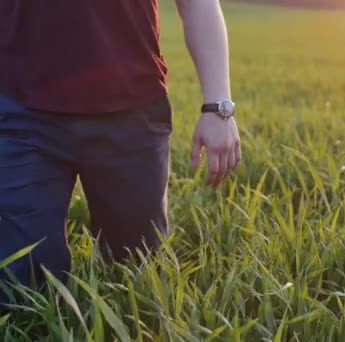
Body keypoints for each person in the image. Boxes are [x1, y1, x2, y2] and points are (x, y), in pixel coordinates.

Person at [0, 0, 241, 297]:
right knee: (24, 285)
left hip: (132, 116)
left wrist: (218, 108)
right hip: (22, 114)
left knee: (136, 277)